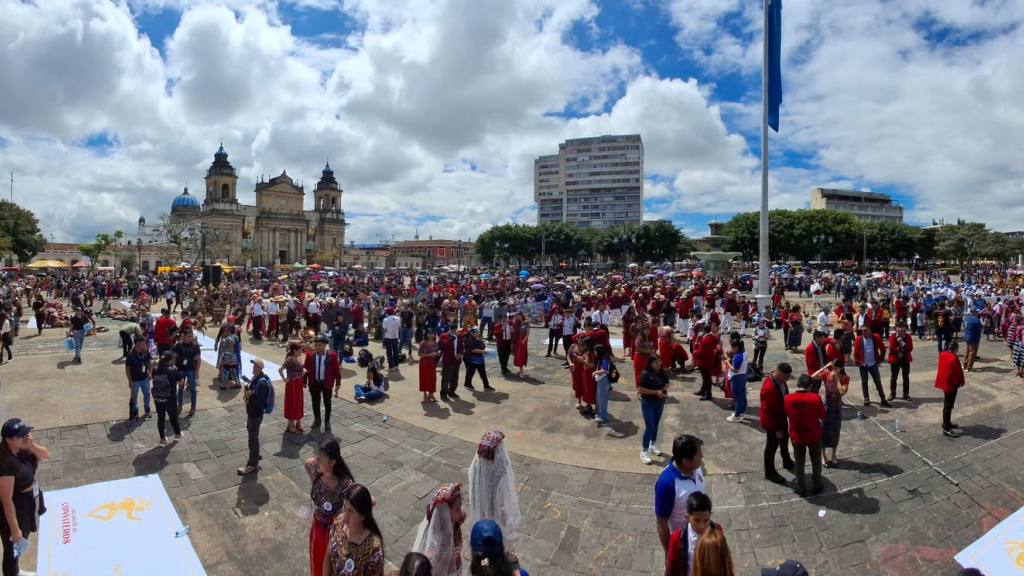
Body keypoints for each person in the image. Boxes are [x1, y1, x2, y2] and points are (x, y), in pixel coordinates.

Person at [0, 418, 49, 576]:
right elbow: (6, 500)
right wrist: (15, 530)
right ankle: (12, 573)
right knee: (12, 548)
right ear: (8, 439)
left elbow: (45, 455)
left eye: (26, 433)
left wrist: (32, 445)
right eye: (21, 435)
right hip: (17, 506)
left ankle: (16, 571)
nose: (26, 436)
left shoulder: (22, 448)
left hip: (29, 500)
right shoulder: (5, 463)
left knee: (23, 539)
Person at [306, 437, 356, 576]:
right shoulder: (317, 472)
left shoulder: (346, 485)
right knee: (317, 562)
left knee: (332, 568)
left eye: (320, 459)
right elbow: (307, 463)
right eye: (316, 456)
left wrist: (344, 518)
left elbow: (370, 501)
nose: (316, 461)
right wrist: (318, 462)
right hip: (318, 527)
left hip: (335, 533)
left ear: (333, 462)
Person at [654, 434, 705, 557]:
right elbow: (661, 524)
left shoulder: (696, 468)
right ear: (686, 461)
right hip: (684, 548)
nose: (702, 456)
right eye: (698, 454)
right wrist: (670, 555)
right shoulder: (667, 484)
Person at [468, 430, 521, 539]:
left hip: (481, 508)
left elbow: (473, 490)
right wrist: (507, 520)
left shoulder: (477, 463)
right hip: (494, 514)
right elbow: (502, 501)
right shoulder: (500, 468)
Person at [323, 484, 384, 576]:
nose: (345, 515)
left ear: (363, 516)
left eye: (351, 511)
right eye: (344, 507)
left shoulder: (373, 549)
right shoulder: (339, 522)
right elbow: (328, 555)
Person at [665, 492, 725, 576]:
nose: (701, 526)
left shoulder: (717, 531)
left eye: (706, 520)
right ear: (687, 518)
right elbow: (672, 567)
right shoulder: (676, 537)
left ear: (710, 515)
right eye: (697, 520)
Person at [413, 483, 466, 576]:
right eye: (457, 510)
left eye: (461, 506)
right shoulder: (439, 540)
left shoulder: (457, 520)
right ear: (445, 514)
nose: (461, 511)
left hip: (456, 565)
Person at [785, 375, 825, 496]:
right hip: (813, 434)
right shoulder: (815, 398)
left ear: (798, 384)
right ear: (810, 386)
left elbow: (787, 413)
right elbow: (823, 415)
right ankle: (817, 485)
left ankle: (800, 487)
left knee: (799, 462)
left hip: (797, 435)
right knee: (816, 461)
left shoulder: (787, 398)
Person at [760, 363, 794, 484]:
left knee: (784, 439)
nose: (788, 379)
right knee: (771, 446)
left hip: (781, 417)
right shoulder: (770, 388)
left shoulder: (779, 381)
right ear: (779, 374)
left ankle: (786, 460)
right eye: (787, 377)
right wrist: (777, 429)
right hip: (773, 422)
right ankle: (769, 472)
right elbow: (770, 411)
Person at [238, 358, 271, 476]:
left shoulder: (262, 383)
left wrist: (249, 396)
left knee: (253, 438)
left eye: (256, 366)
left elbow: (259, 403)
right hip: (251, 413)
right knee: (252, 435)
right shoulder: (255, 379)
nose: (253, 368)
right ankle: (255, 454)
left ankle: (252, 464)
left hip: (255, 414)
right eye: (253, 366)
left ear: (260, 369)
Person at [305, 335, 341, 432]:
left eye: (320, 345)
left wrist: (338, 383)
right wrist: (304, 381)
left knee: (327, 403)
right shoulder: (310, 355)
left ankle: (327, 421)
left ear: (325, 345)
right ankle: (317, 419)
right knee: (315, 402)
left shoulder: (332, 356)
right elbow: (306, 369)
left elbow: (336, 371)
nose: (317, 347)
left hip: (327, 383)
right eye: (316, 345)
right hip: (314, 383)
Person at [817, 361, 849, 468]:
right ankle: (823, 456)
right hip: (827, 406)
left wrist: (837, 379)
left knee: (835, 431)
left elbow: (842, 392)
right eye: (832, 368)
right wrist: (824, 367)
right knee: (823, 430)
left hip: (836, 408)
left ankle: (834, 455)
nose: (833, 370)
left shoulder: (845, 378)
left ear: (841, 368)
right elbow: (812, 377)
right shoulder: (827, 374)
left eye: (836, 368)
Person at [638, 356, 669, 465]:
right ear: (650, 363)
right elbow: (640, 390)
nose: (658, 365)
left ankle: (653, 445)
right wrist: (656, 392)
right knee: (650, 426)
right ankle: (644, 451)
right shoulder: (645, 374)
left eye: (659, 362)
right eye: (656, 363)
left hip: (660, 403)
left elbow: (667, 382)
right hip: (648, 403)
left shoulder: (662, 371)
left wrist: (663, 390)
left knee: (656, 424)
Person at [151, 351, 183, 446]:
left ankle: (162, 440)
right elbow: (181, 383)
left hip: (158, 398)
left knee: (161, 418)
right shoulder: (172, 370)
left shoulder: (155, 369)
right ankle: (177, 435)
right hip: (170, 398)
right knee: (173, 417)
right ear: (170, 360)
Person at [935, 340, 966, 438]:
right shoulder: (953, 358)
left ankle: (947, 423)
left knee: (947, 405)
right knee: (948, 406)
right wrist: (960, 382)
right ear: (955, 348)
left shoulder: (943, 354)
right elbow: (957, 372)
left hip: (944, 382)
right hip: (951, 385)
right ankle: (946, 428)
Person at [854, 325, 889, 407]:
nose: (863, 332)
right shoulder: (858, 339)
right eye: (862, 331)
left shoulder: (876, 337)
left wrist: (880, 360)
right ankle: (866, 399)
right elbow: (856, 352)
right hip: (863, 365)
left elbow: (883, 349)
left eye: (865, 330)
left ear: (870, 330)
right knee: (864, 382)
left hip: (873, 364)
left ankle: (883, 398)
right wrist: (858, 362)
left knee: (878, 382)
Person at [173, 329, 201, 417]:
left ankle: (193, 408)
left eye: (191, 336)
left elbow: (198, 359)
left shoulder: (195, 346)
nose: (190, 338)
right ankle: (180, 407)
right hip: (180, 370)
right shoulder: (178, 345)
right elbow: (174, 356)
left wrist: (197, 371)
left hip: (191, 371)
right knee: (180, 389)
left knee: (193, 390)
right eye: (188, 336)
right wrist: (173, 367)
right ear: (183, 336)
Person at [280, 342, 307, 434]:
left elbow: (301, 369)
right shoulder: (290, 360)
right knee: (292, 403)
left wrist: (303, 373)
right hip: (292, 385)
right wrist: (284, 379)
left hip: (298, 384)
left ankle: (298, 423)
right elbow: (280, 370)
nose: (302, 352)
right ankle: (291, 424)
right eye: (300, 350)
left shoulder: (298, 357)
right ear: (295, 351)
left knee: (299, 402)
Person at [125, 335, 153, 421]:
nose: (145, 345)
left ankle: (147, 409)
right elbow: (127, 368)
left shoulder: (146, 351)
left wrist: (150, 373)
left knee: (147, 394)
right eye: (144, 343)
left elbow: (149, 362)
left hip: (145, 378)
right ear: (137, 344)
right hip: (135, 380)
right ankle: (135, 412)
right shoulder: (131, 354)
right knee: (134, 397)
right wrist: (130, 381)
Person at [887, 323, 914, 401]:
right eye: (899, 327)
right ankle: (892, 393)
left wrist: (901, 342)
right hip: (895, 359)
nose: (901, 329)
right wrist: (900, 347)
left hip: (905, 359)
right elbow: (892, 349)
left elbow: (910, 348)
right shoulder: (892, 337)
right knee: (894, 377)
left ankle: (906, 394)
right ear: (896, 328)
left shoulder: (908, 336)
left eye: (903, 327)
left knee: (906, 377)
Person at [725, 339, 749, 422]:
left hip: (737, 378)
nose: (731, 349)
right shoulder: (744, 353)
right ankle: (741, 412)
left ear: (736, 347)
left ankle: (737, 415)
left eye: (732, 347)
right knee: (742, 396)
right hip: (743, 376)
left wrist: (728, 362)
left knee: (737, 398)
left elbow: (735, 370)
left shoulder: (738, 356)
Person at [439, 324, 463, 401]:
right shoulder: (444, 336)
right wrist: (452, 338)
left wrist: (460, 353)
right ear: (450, 329)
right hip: (448, 360)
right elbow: (442, 345)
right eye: (453, 329)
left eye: (455, 329)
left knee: (455, 377)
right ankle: (444, 394)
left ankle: (451, 391)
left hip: (457, 360)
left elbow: (462, 346)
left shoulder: (460, 336)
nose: (454, 331)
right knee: (446, 378)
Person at [592, 344, 613, 425]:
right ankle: (600, 414)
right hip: (601, 380)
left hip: (603, 380)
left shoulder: (604, 359)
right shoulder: (602, 358)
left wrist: (595, 372)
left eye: (595, 351)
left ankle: (603, 417)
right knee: (599, 398)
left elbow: (605, 370)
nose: (594, 353)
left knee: (602, 399)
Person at [419, 330, 441, 402]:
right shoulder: (423, 343)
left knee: (433, 378)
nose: (431, 335)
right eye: (430, 334)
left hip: (432, 363)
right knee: (424, 378)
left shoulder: (435, 343)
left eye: (433, 334)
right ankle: (425, 394)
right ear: (427, 334)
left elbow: (437, 352)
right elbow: (420, 354)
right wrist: (429, 355)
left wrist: (438, 353)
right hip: (424, 363)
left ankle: (431, 394)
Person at [512, 312, 529, 378]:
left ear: (521, 315)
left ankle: (521, 372)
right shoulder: (516, 322)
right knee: (518, 355)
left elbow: (528, 333)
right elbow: (514, 331)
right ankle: (520, 370)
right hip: (517, 340)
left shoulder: (526, 322)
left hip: (523, 341)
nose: (517, 317)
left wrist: (524, 340)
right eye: (516, 316)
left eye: (518, 315)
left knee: (521, 355)